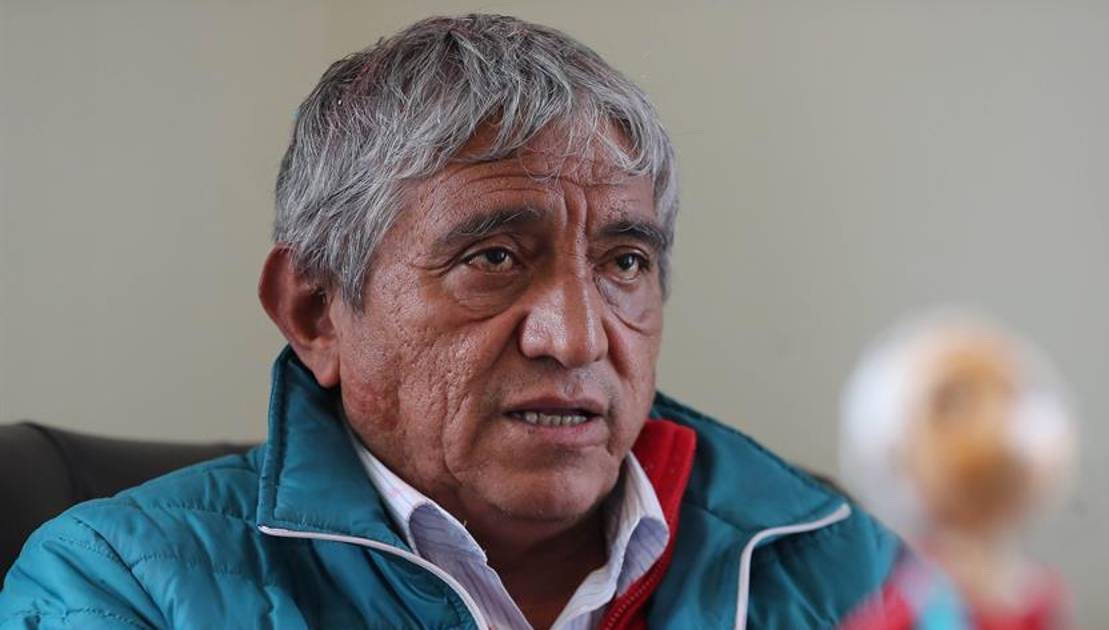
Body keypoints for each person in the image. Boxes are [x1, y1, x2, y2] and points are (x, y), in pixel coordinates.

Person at [0, 14, 897, 629]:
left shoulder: (841, 565)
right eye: (494, 258)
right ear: (314, 311)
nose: (578, 338)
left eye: (625, 262)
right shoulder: (115, 584)